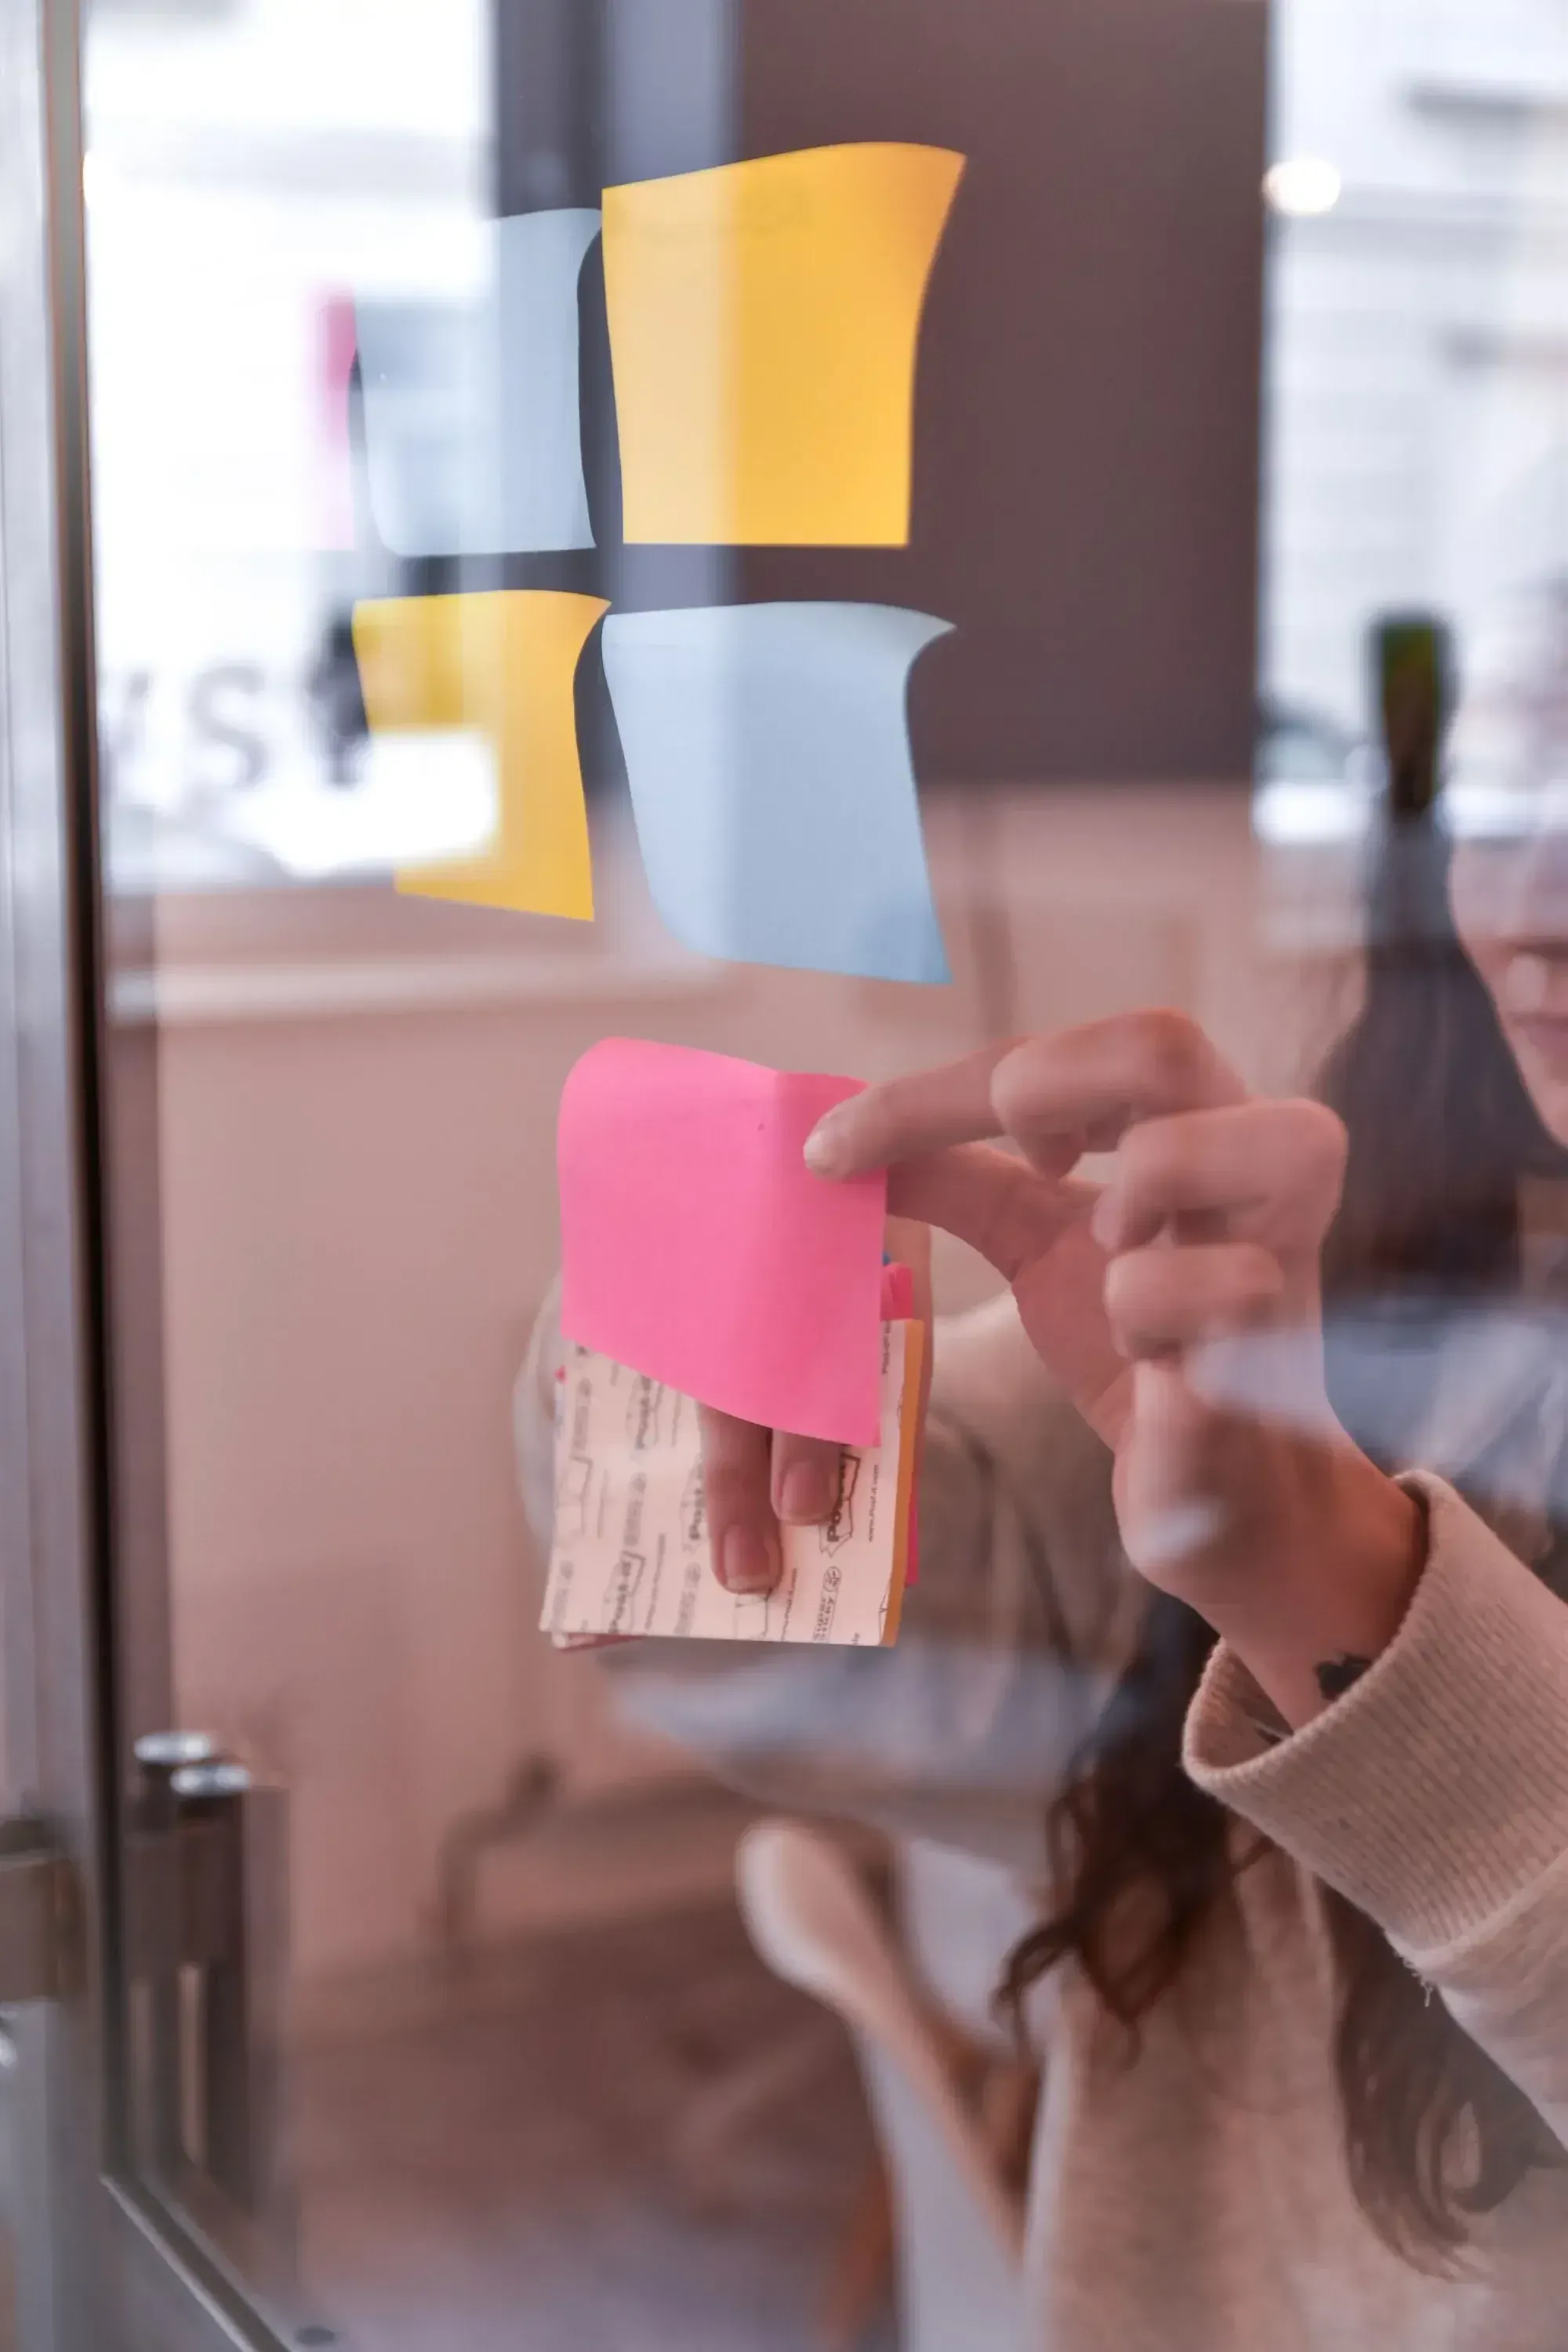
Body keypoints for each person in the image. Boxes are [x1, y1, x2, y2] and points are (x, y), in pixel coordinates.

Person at [520, 787, 1568, 2348]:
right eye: (1528, 756)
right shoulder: (1382, 1291)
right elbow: (722, 1611)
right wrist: (677, 1347)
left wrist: (1338, 1593)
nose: (1534, 900)